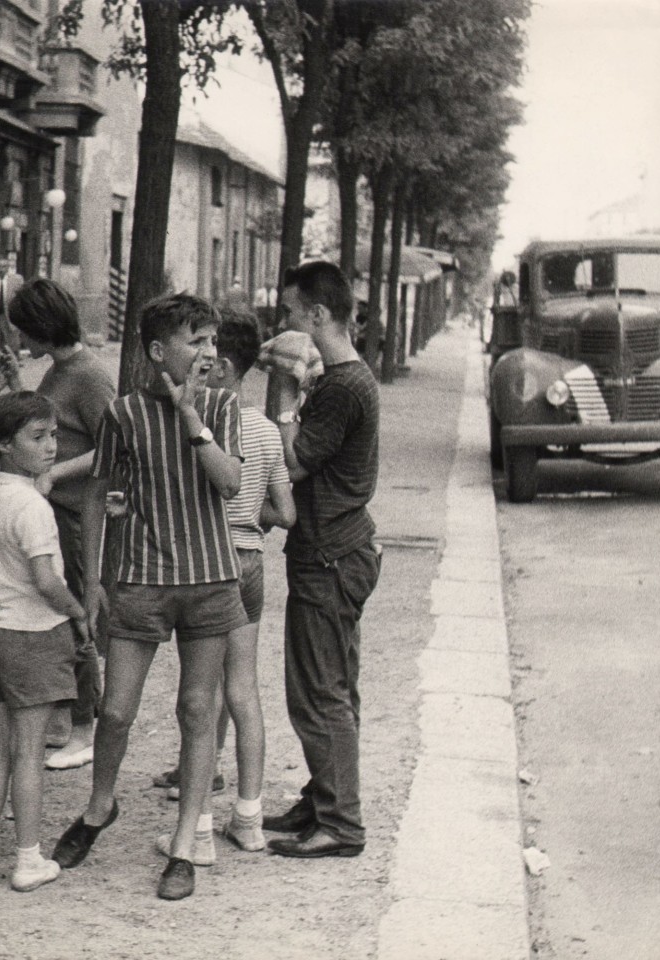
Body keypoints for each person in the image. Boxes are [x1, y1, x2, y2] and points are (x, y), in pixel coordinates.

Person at [51, 293, 247, 902]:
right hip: (139, 579)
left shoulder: (222, 405)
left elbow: (232, 483)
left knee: (196, 711)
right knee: (115, 710)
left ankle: (184, 843)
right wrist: (91, 582)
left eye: (213, 342)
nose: (209, 353)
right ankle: (99, 806)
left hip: (210, 579)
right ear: (161, 351)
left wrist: (194, 423)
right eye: (198, 342)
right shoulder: (124, 414)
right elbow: (96, 488)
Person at [151, 311, 296, 861]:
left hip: (210, 563)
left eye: (210, 352)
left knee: (199, 696)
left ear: (224, 366)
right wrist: (252, 521)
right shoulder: (264, 431)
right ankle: (250, 817)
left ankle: (202, 828)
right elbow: (287, 511)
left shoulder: (201, 427)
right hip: (252, 561)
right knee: (244, 690)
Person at [259, 260, 382, 859]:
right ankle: (323, 799)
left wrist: (282, 392)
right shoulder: (343, 380)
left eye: (289, 312)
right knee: (333, 687)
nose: (283, 322)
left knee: (318, 694)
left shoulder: (341, 387)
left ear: (317, 315)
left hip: (330, 557)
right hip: (337, 550)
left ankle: (341, 823)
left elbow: (293, 461)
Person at [0, 392, 86, 892]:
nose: (52, 446)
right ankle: (29, 858)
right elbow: (46, 579)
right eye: (38, 438)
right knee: (29, 753)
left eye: (54, 435)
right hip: (33, 635)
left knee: (0, 747)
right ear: (4, 444)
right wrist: (77, 611)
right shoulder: (34, 508)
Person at [6, 278, 115, 771]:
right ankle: (67, 716)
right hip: (53, 510)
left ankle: (85, 726)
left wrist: (54, 473)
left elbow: (114, 447)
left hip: (72, 512)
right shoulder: (59, 368)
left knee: (76, 612)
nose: (21, 340)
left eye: (25, 331)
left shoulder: (88, 374)